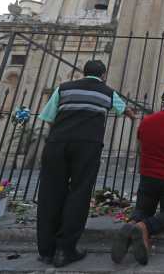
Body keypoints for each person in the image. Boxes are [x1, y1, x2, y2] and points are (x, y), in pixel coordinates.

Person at [37, 60, 135, 268]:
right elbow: (126, 112)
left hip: (57, 143)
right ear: (104, 74)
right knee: (79, 193)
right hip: (87, 146)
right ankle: (65, 250)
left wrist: (64, 130)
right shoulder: (107, 92)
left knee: (49, 193)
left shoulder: (63, 88)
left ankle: (46, 250)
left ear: (83, 72)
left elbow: (47, 117)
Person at [111, 91, 164, 265]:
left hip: (149, 174)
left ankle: (133, 222)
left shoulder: (146, 122)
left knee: (143, 209)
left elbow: (140, 146)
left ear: (163, 103)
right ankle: (144, 228)